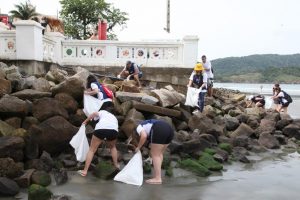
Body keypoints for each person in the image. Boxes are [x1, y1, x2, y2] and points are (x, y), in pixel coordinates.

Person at [77, 109, 120, 176]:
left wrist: (85, 121)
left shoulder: (103, 112)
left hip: (101, 129)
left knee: (91, 150)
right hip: (113, 131)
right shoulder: (114, 118)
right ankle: (116, 165)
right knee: (113, 147)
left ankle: (85, 171)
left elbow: (94, 114)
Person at [135, 119, 174, 184]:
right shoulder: (148, 125)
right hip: (170, 129)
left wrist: (138, 147)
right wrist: (150, 157)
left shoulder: (138, 127)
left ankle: (158, 178)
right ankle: (158, 176)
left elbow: (143, 136)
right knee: (159, 154)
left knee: (155, 155)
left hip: (159, 128)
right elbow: (151, 147)